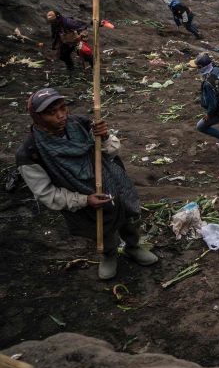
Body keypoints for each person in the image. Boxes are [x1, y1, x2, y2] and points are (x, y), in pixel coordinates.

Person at [16, 88, 158, 280]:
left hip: (110, 182)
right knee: (100, 228)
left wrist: (105, 136)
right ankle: (108, 255)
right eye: (51, 113)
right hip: (80, 197)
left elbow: (112, 151)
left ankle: (133, 246)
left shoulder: (81, 124)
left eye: (62, 108)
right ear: (36, 118)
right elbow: (46, 194)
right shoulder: (30, 153)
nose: (61, 115)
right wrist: (84, 200)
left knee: (126, 216)